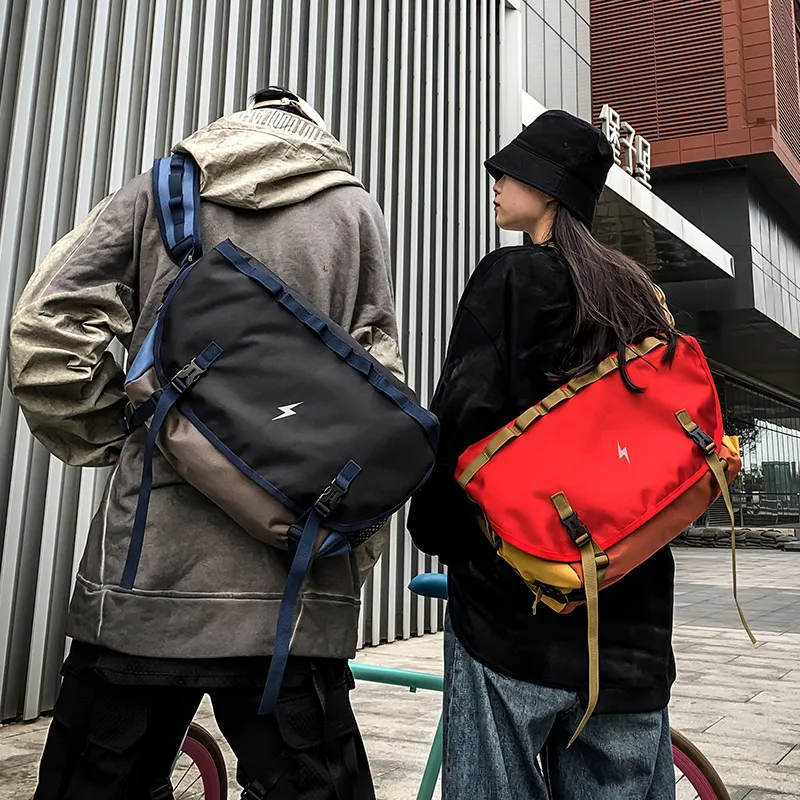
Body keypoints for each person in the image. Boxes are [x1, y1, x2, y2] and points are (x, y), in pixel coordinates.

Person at [9, 87, 399, 800]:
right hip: (294, 594)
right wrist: (348, 545)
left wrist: (130, 431)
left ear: (230, 128)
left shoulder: (165, 186)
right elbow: (380, 396)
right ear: (317, 134)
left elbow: (46, 330)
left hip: (147, 581)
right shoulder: (356, 210)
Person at [408, 110, 680, 799]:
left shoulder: (510, 278)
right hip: (631, 618)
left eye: (513, 169)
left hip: (514, 609)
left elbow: (461, 424)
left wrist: (438, 534)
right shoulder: (640, 296)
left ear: (552, 189)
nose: (496, 178)